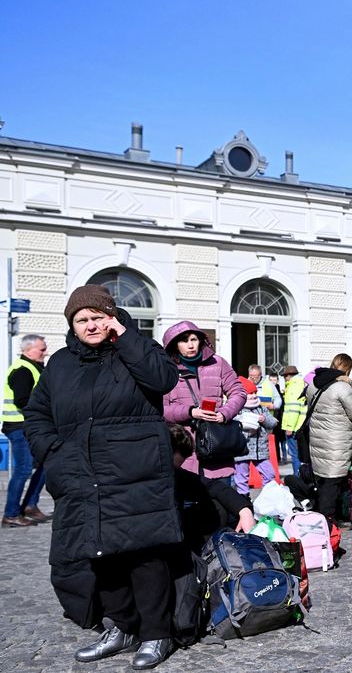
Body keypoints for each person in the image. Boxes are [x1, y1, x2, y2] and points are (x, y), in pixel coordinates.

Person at [24, 285, 182, 669]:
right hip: (80, 473)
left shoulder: (138, 349)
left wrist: (125, 337)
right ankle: (122, 626)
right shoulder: (60, 364)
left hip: (136, 472)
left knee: (144, 554)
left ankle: (157, 633)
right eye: (82, 320)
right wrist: (53, 453)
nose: (91, 325)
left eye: (98, 316)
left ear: (112, 316)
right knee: (101, 554)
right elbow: (37, 413)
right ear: (72, 326)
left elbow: (164, 380)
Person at [161, 321, 246, 479]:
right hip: (182, 450)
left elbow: (238, 392)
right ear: (174, 345)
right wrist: (190, 412)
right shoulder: (166, 370)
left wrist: (224, 414)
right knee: (186, 501)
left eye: (193, 339)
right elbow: (160, 409)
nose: (190, 345)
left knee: (220, 501)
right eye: (184, 341)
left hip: (217, 448)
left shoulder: (218, 363)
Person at [305, 353, 352, 522]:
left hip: (317, 441)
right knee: (333, 483)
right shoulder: (343, 388)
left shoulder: (314, 384)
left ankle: (326, 516)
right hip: (336, 442)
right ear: (348, 369)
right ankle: (327, 522)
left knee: (322, 482)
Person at [3, 334, 49, 527]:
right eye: (42, 349)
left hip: (29, 426)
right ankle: (11, 514)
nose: (45, 352)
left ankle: (30, 506)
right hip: (19, 427)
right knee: (23, 470)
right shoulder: (23, 370)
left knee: (46, 464)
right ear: (28, 350)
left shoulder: (34, 368)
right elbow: (22, 401)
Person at [232, 378, 278, 495]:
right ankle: (244, 499)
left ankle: (267, 497)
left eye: (254, 393)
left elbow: (273, 423)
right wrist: (245, 426)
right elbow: (231, 426)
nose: (253, 396)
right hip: (242, 451)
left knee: (269, 474)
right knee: (241, 478)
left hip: (261, 450)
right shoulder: (236, 409)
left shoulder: (261, 408)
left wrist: (264, 419)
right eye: (250, 393)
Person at [280, 365, 307, 470]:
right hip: (300, 425)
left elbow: (293, 409)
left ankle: (297, 479)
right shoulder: (301, 384)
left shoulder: (293, 387)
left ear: (288, 376)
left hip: (294, 427)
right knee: (300, 455)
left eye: (284, 377)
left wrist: (289, 427)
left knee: (295, 456)